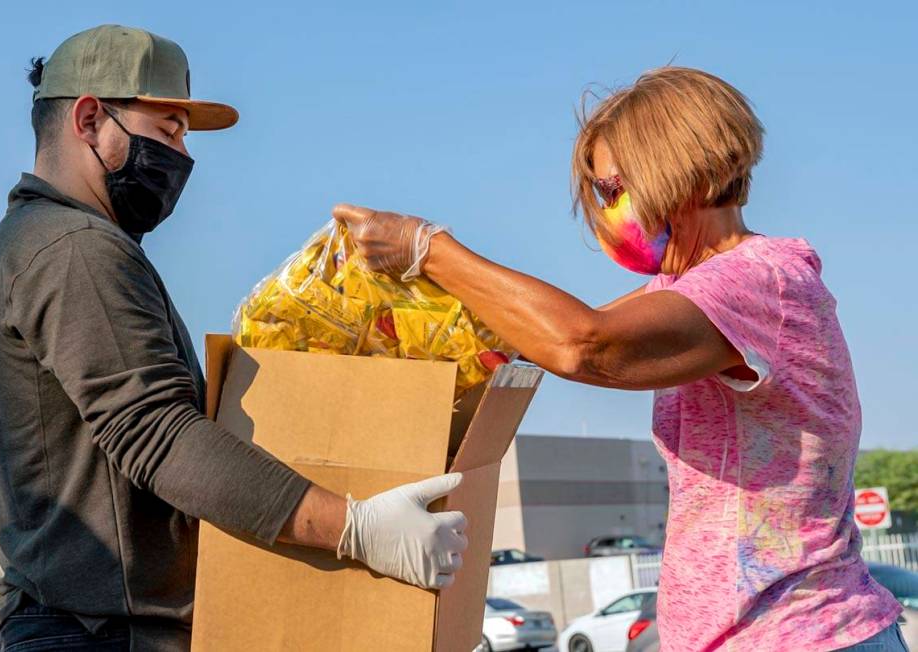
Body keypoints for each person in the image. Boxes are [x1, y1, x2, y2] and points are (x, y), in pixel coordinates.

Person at [333, 67, 909, 651]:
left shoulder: (758, 282)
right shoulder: (698, 285)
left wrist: (429, 249)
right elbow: (530, 335)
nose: (605, 213)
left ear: (688, 174)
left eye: (613, 190)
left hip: (799, 637)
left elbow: (583, 345)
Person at [0, 25, 467, 652]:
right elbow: (156, 433)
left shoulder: (53, 242)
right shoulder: (73, 249)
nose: (181, 158)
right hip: (100, 634)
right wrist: (358, 528)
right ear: (90, 118)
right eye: (168, 130)